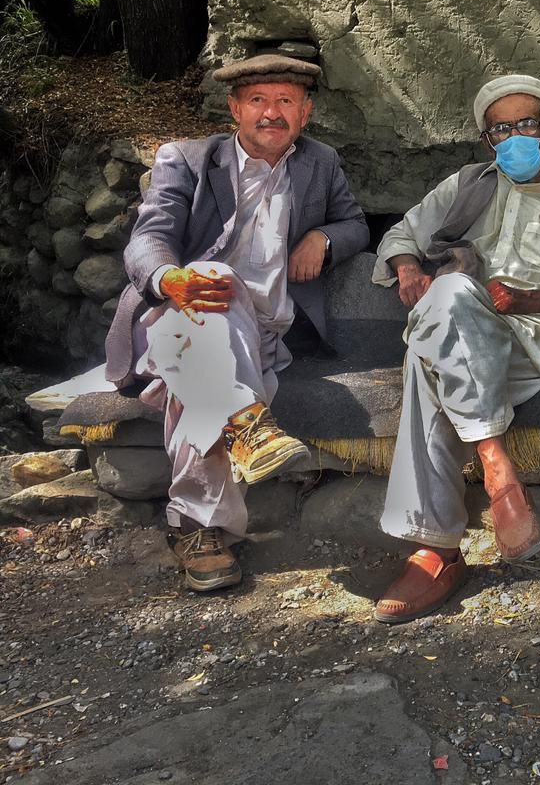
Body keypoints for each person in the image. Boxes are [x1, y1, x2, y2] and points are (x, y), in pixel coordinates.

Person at [104, 53, 369, 592]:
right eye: (257, 101)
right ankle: (219, 479)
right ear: (234, 108)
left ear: (306, 111)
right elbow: (148, 237)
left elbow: (355, 224)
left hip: (268, 326)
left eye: (285, 101)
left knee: (200, 367)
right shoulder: (188, 159)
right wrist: (169, 278)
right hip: (181, 309)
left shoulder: (320, 163)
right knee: (210, 286)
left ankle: (200, 517)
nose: (272, 112)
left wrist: (323, 238)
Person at [371, 74, 540, 624]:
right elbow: (400, 234)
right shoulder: (463, 184)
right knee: (454, 295)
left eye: (526, 125)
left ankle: (434, 552)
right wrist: (409, 265)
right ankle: (497, 467)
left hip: (537, 342)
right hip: (462, 325)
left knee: (428, 355)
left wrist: (532, 298)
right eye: (500, 129)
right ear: (488, 141)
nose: (514, 137)